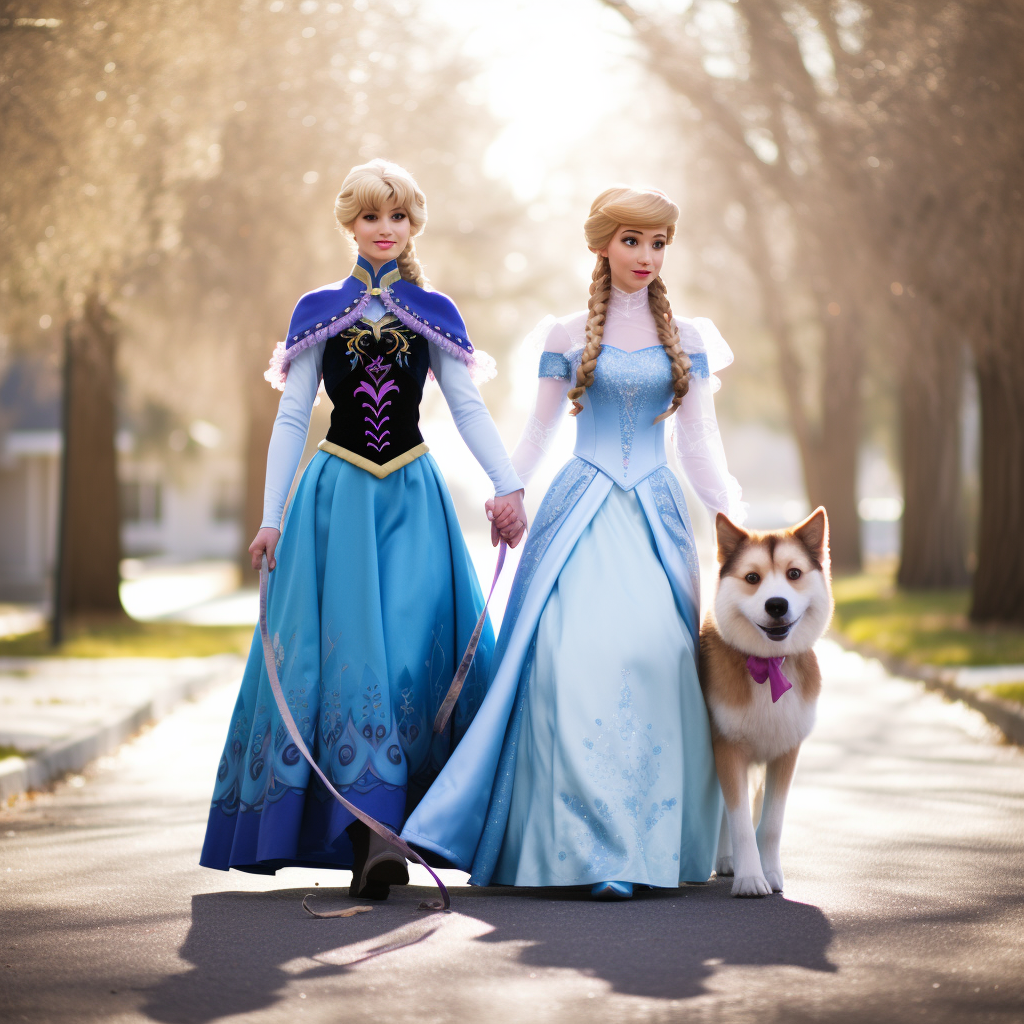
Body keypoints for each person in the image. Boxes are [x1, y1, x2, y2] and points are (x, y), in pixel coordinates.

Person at [402, 185, 745, 900]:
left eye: (657, 243)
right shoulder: (565, 334)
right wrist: (506, 488)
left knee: (656, 660)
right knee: (570, 661)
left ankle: (644, 844)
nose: (646, 256)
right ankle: (589, 851)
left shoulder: (692, 338)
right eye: (631, 241)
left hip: (656, 515)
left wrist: (738, 522)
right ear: (602, 246)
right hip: (578, 513)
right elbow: (538, 433)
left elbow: (699, 444)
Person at [200, 159, 527, 899]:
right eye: (373, 217)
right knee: (349, 660)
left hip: (413, 497)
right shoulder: (318, 307)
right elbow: (293, 415)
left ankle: (415, 823)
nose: (386, 230)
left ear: (413, 226)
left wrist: (506, 484)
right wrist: (271, 518)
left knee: (413, 655)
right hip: (335, 502)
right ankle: (369, 836)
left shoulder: (434, 311)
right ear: (350, 223)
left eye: (399, 218)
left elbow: (468, 408)